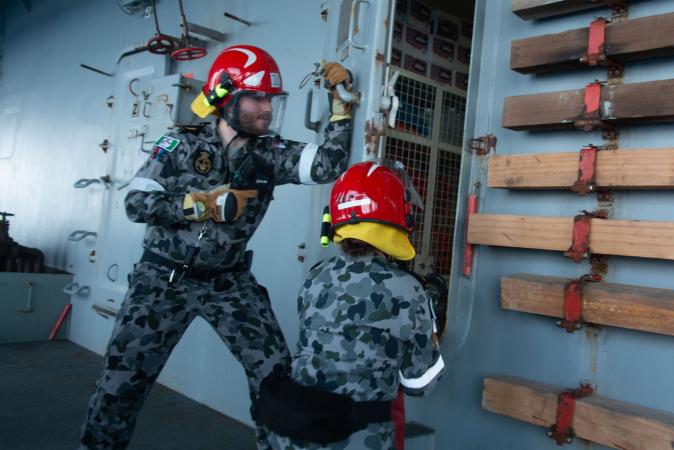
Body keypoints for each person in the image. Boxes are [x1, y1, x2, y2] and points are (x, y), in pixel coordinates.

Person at [79, 44, 354, 450]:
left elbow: (328, 163)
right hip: (162, 280)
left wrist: (341, 105)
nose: (265, 109)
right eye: (255, 97)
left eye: (270, 100)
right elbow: (135, 203)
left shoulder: (270, 153)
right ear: (226, 97)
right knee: (121, 385)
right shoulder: (181, 144)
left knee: (275, 376)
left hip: (229, 284)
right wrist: (196, 205)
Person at [255, 161, 445, 450]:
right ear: (397, 215)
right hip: (358, 438)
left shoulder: (315, 276)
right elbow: (420, 384)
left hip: (294, 430)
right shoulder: (408, 288)